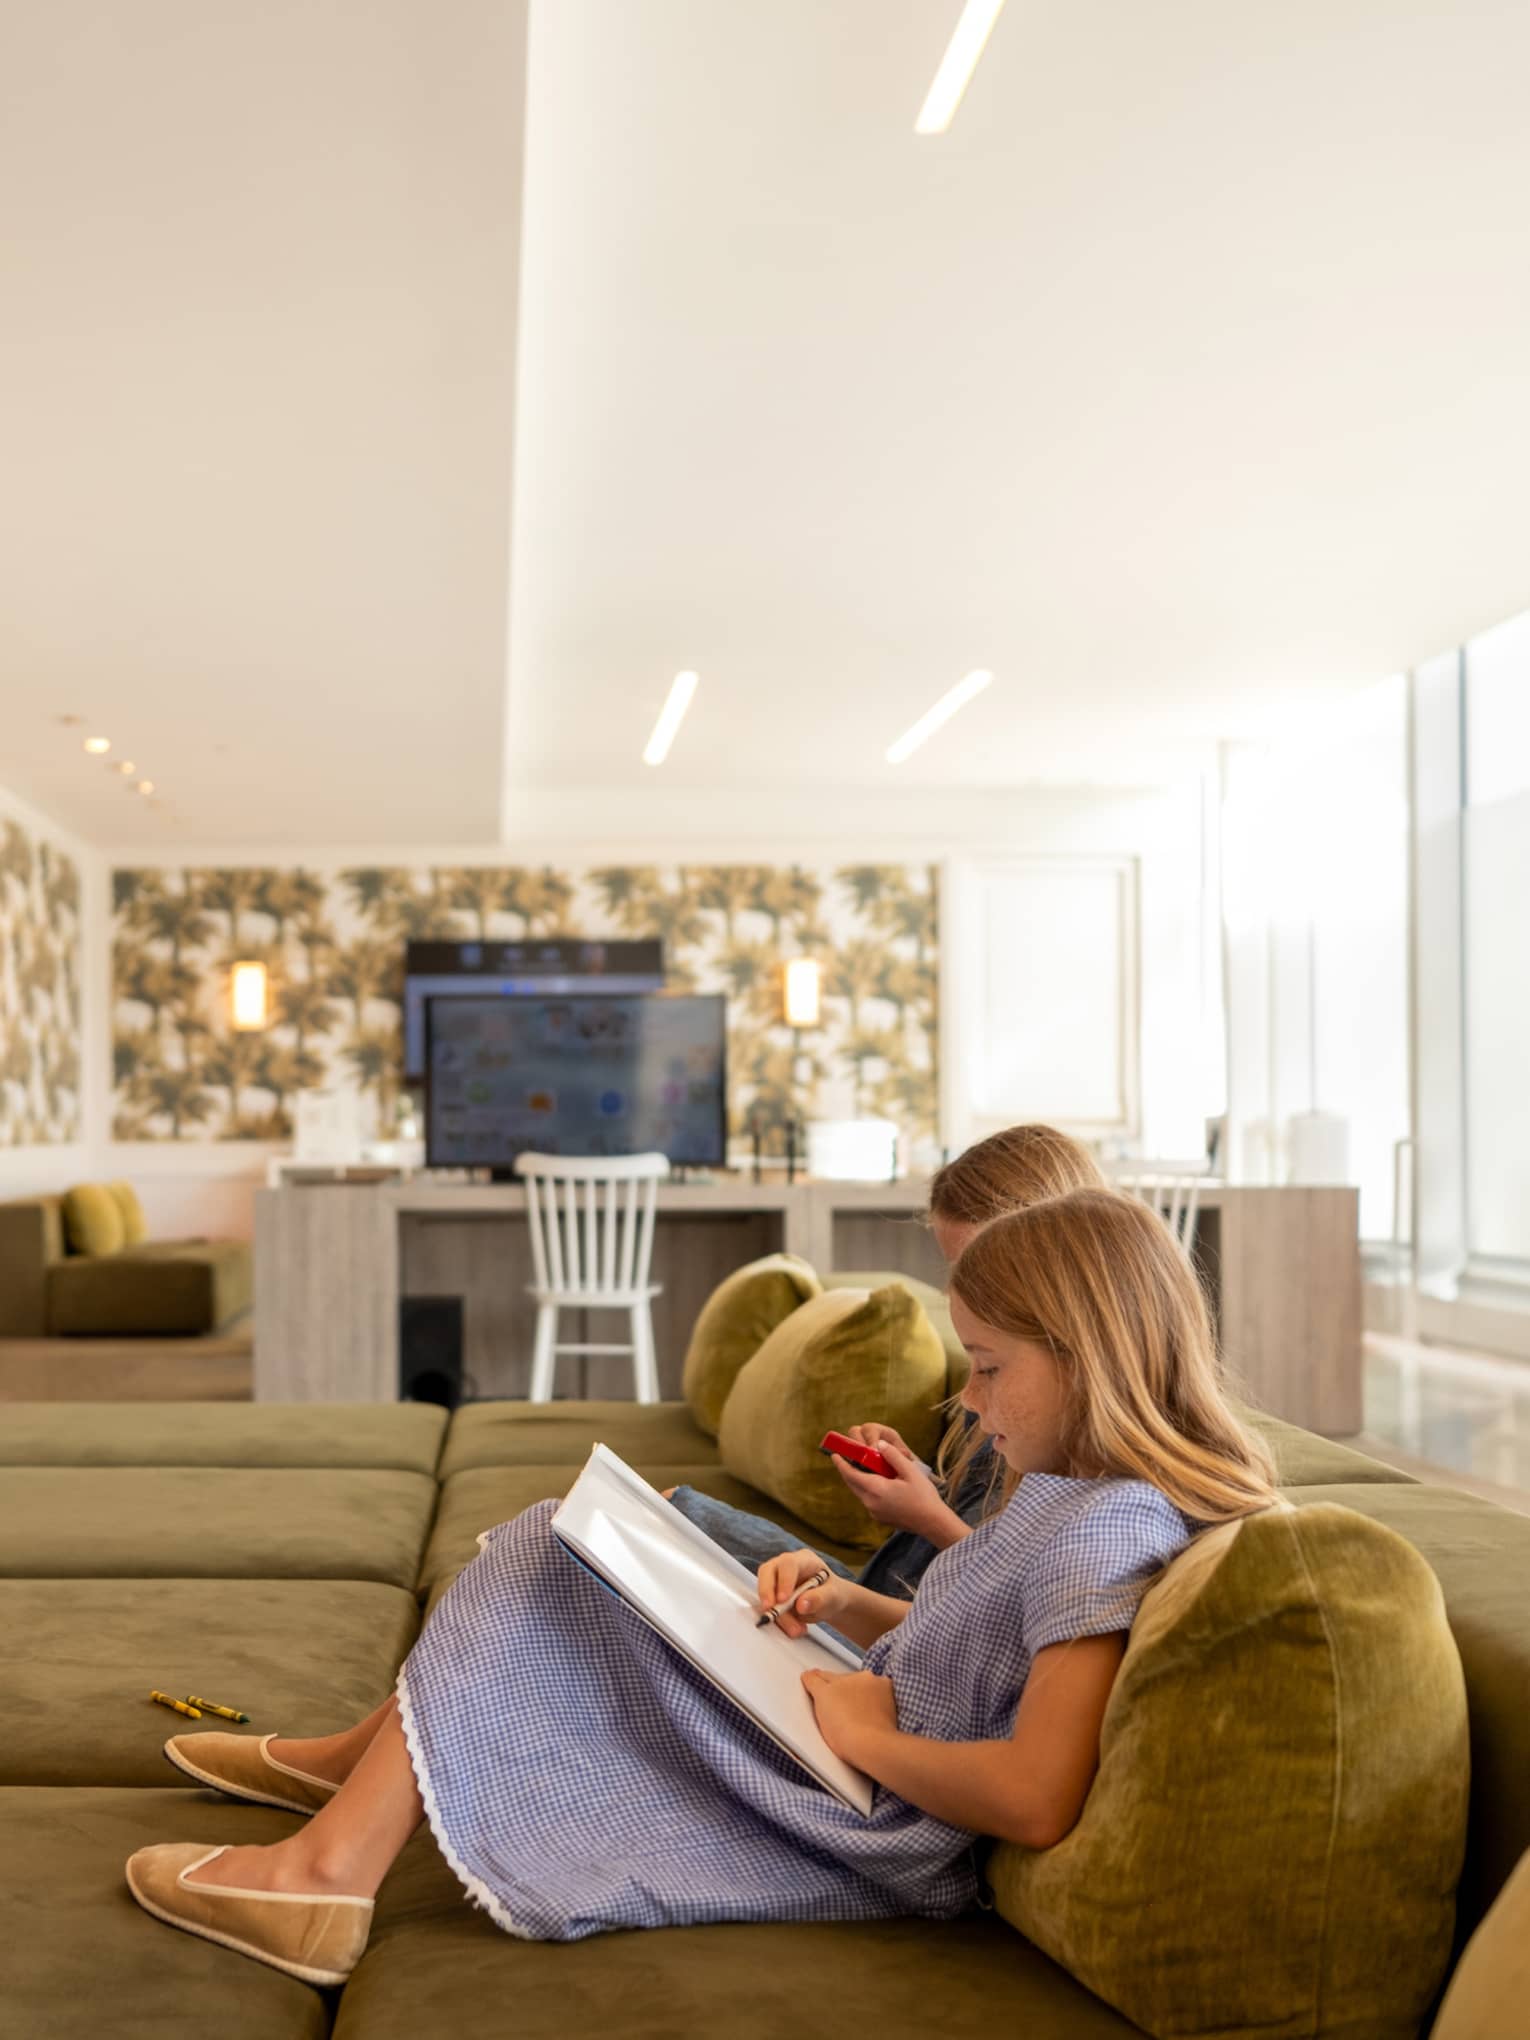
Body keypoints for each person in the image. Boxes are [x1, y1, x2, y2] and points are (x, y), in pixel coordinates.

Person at [126, 1187, 1279, 1987]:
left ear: (1091, 1353)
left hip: (867, 1808)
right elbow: (974, 1642)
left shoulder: (1106, 1530)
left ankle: (326, 1870)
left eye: (986, 1367)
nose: (970, 1403)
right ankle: (356, 1797)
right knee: (574, 1548)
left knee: (547, 1554)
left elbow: (1034, 1797)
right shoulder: (1067, 1493)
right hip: (845, 1728)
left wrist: (866, 1734)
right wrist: (842, 1601)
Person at [666, 1123, 1108, 1598]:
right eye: (958, 1269)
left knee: (672, 1516)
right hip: (883, 1601)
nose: (958, 1290)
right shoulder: (1010, 1387)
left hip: (904, 1623)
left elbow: (1017, 1597)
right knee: (658, 1513)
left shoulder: (1071, 1429)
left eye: (976, 1268)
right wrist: (923, 1484)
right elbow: (983, 1521)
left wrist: (930, 1519)